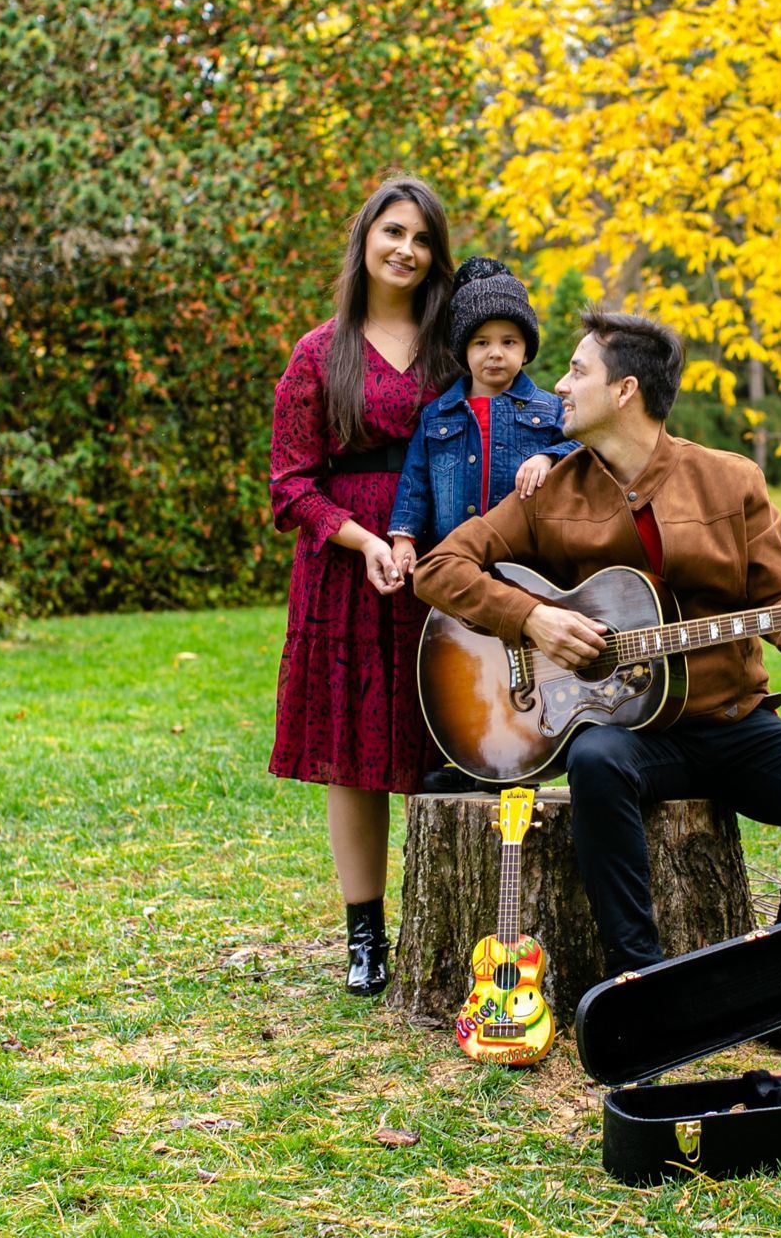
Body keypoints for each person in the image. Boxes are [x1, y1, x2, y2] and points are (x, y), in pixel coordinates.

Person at [413, 310, 781, 1066]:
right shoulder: (549, 491)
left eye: (577, 372)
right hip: (627, 733)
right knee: (596, 762)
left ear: (625, 390)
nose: (558, 384)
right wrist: (531, 619)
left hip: (730, 721)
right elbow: (441, 569)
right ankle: (647, 981)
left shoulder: (731, 481)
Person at [268, 176, 457, 996]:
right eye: (392, 233)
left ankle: (448, 915)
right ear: (365, 241)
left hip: (438, 562)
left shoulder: (454, 345)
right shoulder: (320, 352)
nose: (405, 250)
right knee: (355, 757)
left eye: (420, 238)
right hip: (347, 570)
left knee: (440, 739)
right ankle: (365, 935)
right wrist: (362, 540)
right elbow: (291, 484)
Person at [386, 257, 579, 792]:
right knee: (472, 663)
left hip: (527, 571)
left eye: (510, 342)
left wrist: (552, 456)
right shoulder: (439, 416)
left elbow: (588, 446)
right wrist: (404, 536)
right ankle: (476, 754)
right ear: (463, 350)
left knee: (526, 661)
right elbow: (417, 480)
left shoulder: (547, 410)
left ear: (526, 349)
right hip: (459, 569)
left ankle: (523, 757)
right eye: (482, 343)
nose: (496, 354)